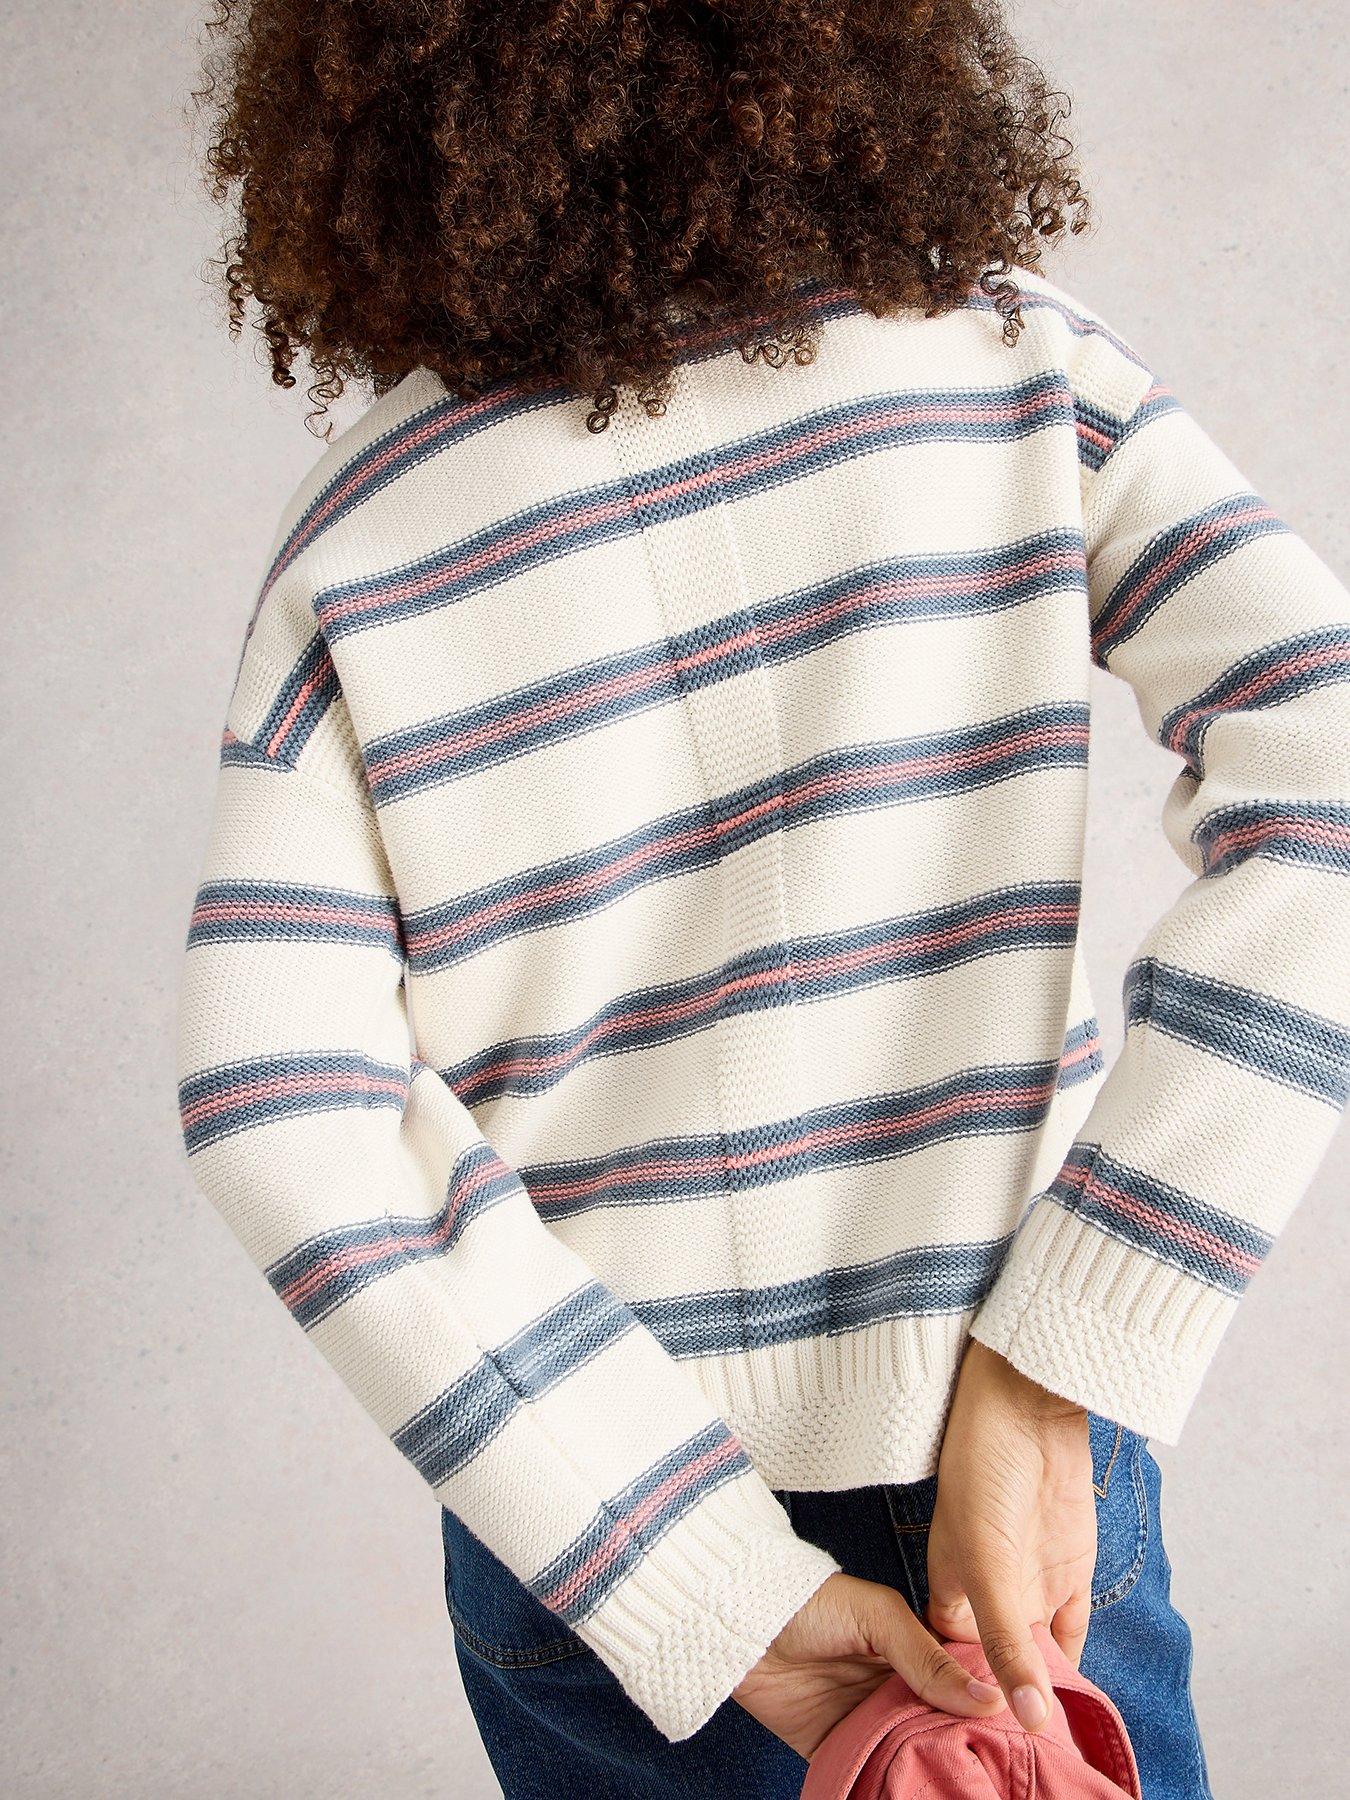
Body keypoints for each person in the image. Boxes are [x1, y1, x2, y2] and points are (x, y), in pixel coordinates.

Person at [176, 4, 1349, 1796]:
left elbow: (275, 1103)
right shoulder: (1009, 361)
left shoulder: (363, 533)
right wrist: (1064, 1355)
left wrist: (697, 1579)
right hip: (996, 1496)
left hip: (595, 1528)